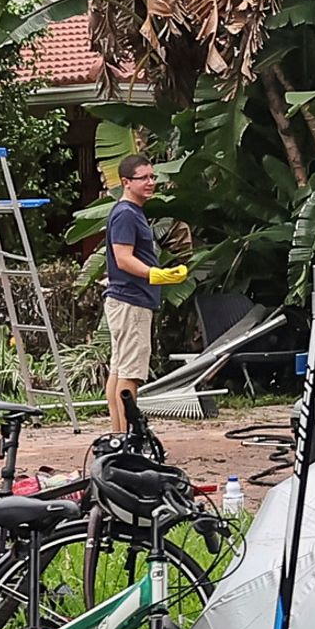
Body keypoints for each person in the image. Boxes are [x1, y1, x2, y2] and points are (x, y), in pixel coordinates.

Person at [102, 152, 183, 433]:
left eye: (152, 177)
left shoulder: (129, 212)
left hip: (126, 300)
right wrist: (154, 274)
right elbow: (122, 258)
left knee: (119, 370)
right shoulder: (126, 214)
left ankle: (118, 436)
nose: (150, 182)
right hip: (131, 301)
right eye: (143, 178)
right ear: (126, 182)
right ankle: (127, 441)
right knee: (130, 375)